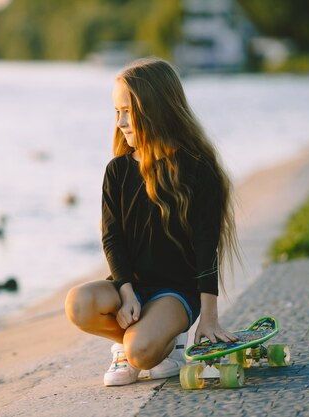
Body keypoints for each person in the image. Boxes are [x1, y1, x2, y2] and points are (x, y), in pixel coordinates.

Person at [64, 57, 240, 387]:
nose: (120, 122)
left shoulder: (198, 170)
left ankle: (160, 342)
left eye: (128, 111)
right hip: (132, 286)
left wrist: (209, 318)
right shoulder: (117, 171)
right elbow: (112, 239)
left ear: (156, 109)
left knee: (142, 353)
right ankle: (141, 341)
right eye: (116, 112)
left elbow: (206, 245)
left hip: (175, 294)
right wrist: (126, 291)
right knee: (77, 303)